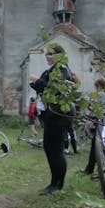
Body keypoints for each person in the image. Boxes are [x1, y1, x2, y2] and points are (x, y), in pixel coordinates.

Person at [30, 44, 76, 195]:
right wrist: (36, 84)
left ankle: (58, 186)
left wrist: (38, 81)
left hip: (59, 115)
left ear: (59, 55)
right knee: (49, 148)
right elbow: (45, 87)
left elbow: (56, 88)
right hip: (51, 115)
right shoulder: (52, 70)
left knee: (56, 150)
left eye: (51, 54)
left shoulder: (62, 69)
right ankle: (53, 183)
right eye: (46, 54)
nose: (48, 57)